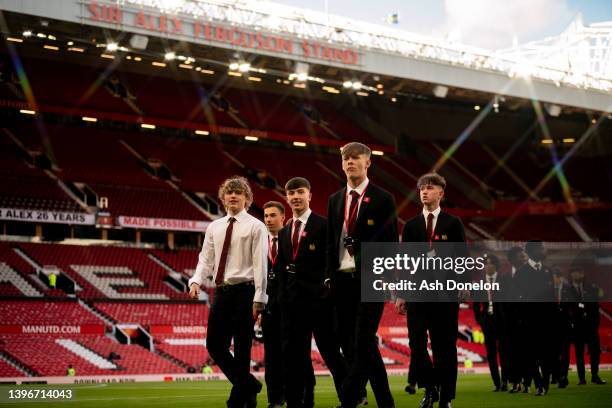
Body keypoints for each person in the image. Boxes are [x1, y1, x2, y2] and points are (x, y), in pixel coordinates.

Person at [326, 142, 398, 408]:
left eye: (355, 158)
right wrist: (328, 276)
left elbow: (390, 243)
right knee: (353, 344)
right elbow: (330, 243)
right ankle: (385, 402)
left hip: (371, 278)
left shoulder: (383, 198)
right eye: (346, 158)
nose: (349, 162)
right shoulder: (335, 199)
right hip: (341, 280)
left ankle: (349, 397)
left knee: (364, 339)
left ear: (368, 162)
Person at [189, 176, 268, 408]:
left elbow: (260, 264)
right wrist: (196, 281)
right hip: (222, 293)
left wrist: (260, 297)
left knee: (243, 349)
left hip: (246, 292)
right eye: (229, 193)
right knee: (214, 344)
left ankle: (242, 398)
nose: (233, 196)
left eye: (238, 193)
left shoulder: (256, 226)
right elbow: (206, 259)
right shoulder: (214, 227)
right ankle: (249, 385)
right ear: (223, 198)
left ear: (247, 199)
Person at [276, 177, 348, 408]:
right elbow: (281, 270)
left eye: (300, 192)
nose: (295, 196)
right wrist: (282, 298)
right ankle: (297, 402)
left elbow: (332, 258)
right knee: (294, 357)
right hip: (293, 304)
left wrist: (326, 289)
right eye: (291, 193)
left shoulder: (323, 225)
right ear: (286, 198)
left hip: (319, 302)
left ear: (309, 195)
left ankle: (350, 398)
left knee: (331, 353)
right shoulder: (284, 231)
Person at [396, 172, 467, 408]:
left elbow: (461, 258)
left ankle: (446, 397)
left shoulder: (453, 223)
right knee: (416, 344)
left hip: (445, 295)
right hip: (417, 293)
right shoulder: (411, 226)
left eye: (429, 187)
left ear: (441, 193)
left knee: (445, 347)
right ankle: (430, 389)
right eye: (421, 189)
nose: (424, 192)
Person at [561, 264, 606, 386]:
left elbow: (595, 306)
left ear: (583, 274)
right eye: (574, 272)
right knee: (579, 353)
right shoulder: (567, 289)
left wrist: (593, 322)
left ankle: (595, 376)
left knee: (595, 352)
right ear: (571, 275)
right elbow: (566, 308)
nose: (576, 274)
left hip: (591, 326)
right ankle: (582, 378)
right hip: (576, 326)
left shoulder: (591, 288)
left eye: (579, 272)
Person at [262, 201, 287, 408]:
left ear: (283, 218)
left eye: (272, 215)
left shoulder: (293, 241)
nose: (268, 219)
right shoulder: (260, 244)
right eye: (266, 216)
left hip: (291, 308)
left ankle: (299, 395)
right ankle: (275, 399)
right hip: (269, 309)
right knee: (271, 357)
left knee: (294, 355)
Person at [473, 254, 508, 392]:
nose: (488, 266)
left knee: (504, 352)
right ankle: (497, 383)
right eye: (486, 264)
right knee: (491, 354)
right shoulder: (480, 283)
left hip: (502, 322)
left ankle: (505, 381)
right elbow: (476, 305)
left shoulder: (504, 281)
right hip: (488, 323)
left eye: (491, 263)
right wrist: (480, 320)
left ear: (496, 266)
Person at [504, 246, 529, 394]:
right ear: (512, 259)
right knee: (512, 354)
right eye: (521, 256)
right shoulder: (505, 278)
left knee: (526, 353)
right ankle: (515, 382)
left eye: (524, 256)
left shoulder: (531, 276)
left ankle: (527, 383)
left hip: (525, 321)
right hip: (510, 322)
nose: (524, 258)